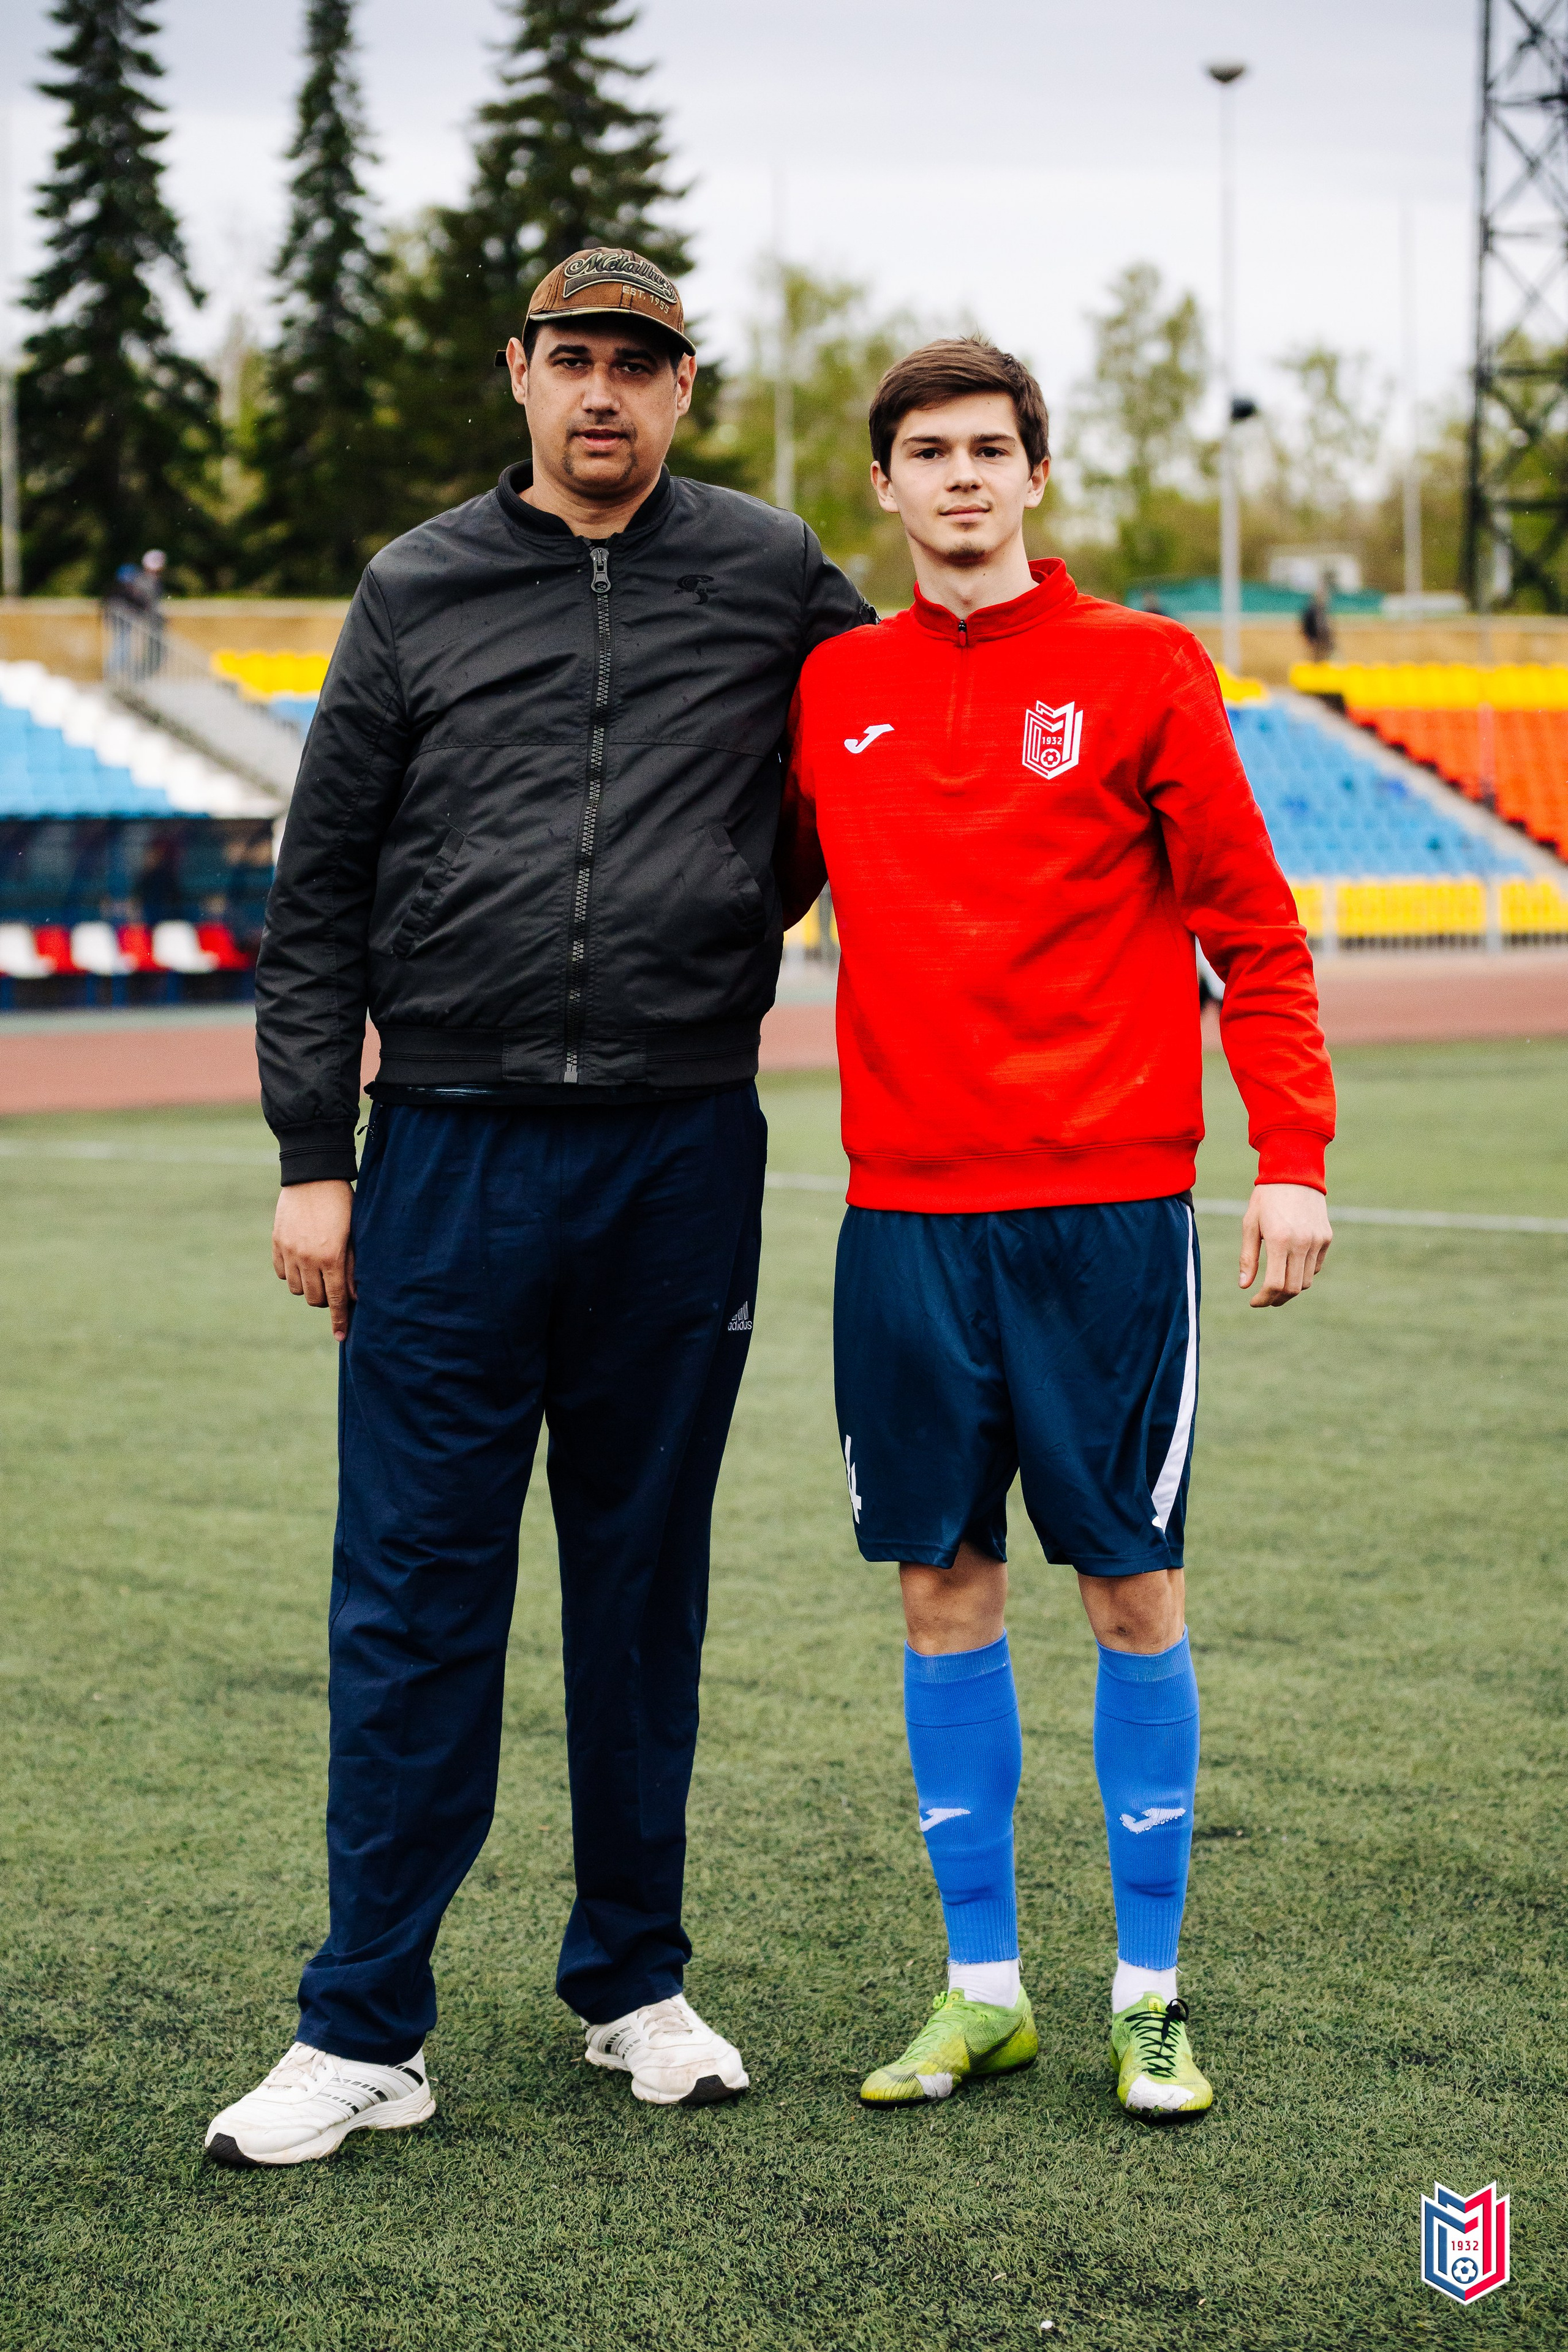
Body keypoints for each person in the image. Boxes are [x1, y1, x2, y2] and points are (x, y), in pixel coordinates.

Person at [205, 247, 873, 2168]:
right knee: (416, 1589)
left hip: (678, 1154)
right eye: (573, 360)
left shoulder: (768, 571)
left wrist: (739, 912)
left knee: (641, 1578)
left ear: (687, 390)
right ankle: (363, 2028)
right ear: (519, 374)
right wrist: (312, 1157)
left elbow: (876, 755)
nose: (604, 394)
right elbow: (316, 898)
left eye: (639, 368)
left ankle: (635, 1981)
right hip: (451, 1161)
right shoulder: (416, 586)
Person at [776, 337, 1335, 2119]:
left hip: (1103, 1214)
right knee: (940, 1588)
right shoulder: (835, 686)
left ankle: (1150, 1998)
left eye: (988, 450)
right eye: (925, 451)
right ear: (884, 485)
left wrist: (1295, 1155)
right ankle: (984, 1991)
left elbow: (1256, 934)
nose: (957, 478)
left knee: (1130, 1587)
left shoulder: (1141, 668)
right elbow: (727, 907)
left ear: (1036, 478)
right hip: (906, 1217)